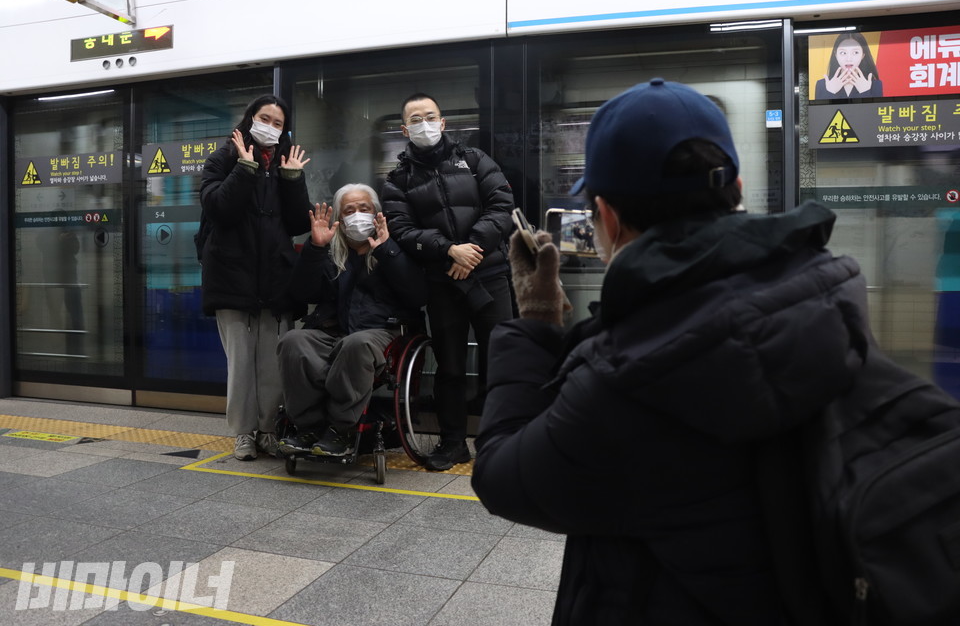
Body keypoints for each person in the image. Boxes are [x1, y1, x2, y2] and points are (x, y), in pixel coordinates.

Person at [472, 78, 864, 624]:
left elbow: (502, 476)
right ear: (738, 188)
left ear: (606, 217)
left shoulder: (627, 376)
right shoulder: (827, 304)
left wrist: (535, 321)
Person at [381, 93, 515, 471]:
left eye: (431, 116)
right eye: (416, 119)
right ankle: (453, 443)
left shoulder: (474, 160)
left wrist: (470, 249)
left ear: (443, 122)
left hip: (489, 276)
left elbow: (502, 204)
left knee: (501, 361)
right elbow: (402, 230)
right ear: (405, 129)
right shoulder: (397, 180)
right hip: (442, 282)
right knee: (450, 367)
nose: (425, 124)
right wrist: (448, 251)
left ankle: (500, 440)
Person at [200, 94, 313, 461]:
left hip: (276, 280)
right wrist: (244, 169)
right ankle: (242, 434)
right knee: (241, 364)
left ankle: (268, 430)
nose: (270, 126)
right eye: (264, 118)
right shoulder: (224, 158)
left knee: (270, 364)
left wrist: (293, 180)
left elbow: (298, 224)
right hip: (232, 278)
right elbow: (219, 208)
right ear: (249, 119)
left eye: (278, 123)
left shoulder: (286, 163)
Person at [277, 184, 426, 456]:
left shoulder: (396, 245)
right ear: (341, 219)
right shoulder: (333, 251)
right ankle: (308, 427)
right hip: (337, 331)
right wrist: (315, 248)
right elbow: (302, 293)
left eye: (364, 209)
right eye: (349, 211)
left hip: (383, 333)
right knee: (294, 341)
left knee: (356, 344)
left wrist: (386, 250)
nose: (357, 215)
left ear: (377, 214)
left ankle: (341, 429)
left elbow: (417, 295)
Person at [815, 32, 883, 99]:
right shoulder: (822, 85)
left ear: (863, 55)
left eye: (855, 52)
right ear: (836, 55)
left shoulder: (876, 85)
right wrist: (830, 92)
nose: (849, 58)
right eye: (843, 53)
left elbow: (872, 110)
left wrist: (865, 93)